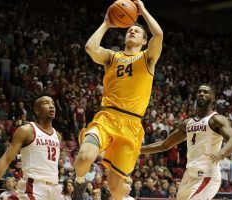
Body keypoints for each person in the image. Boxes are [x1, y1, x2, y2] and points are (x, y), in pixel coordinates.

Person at [73, 0, 163, 199]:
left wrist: (143, 11)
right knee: (84, 157)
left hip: (131, 124)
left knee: (115, 188)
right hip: (107, 117)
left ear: (144, 41)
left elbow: (159, 34)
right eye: (129, 30)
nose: (131, 32)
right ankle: (79, 185)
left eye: (136, 31)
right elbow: (89, 47)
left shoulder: (148, 58)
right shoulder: (112, 57)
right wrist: (106, 22)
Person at [141, 84, 232, 200]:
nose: (201, 94)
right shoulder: (187, 123)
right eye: (199, 92)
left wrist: (220, 154)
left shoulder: (216, 119)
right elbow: (164, 145)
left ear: (212, 98)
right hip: (189, 174)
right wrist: (138, 150)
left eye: (205, 92)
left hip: (208, 175)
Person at [0, 93, 63, 200]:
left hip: (55, 188)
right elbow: (6, 159)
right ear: (37, 110)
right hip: (33, 187)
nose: (51, 106)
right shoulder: (26, 130)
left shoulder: (58, 136)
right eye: (46, 103)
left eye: (52, 103)